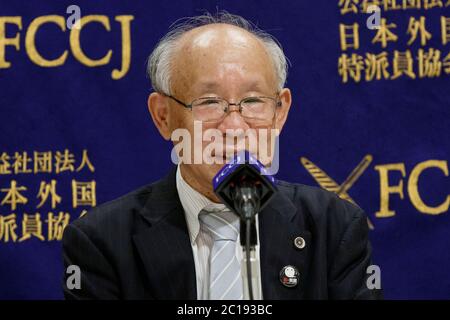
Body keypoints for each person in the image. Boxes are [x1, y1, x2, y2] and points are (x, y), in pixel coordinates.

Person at [62, 12, 382, 300]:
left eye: (254, 101)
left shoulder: (334, 228)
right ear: (163, 116)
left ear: (279, 112)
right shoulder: (102, 242)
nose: (233, 126)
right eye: (209, 102)